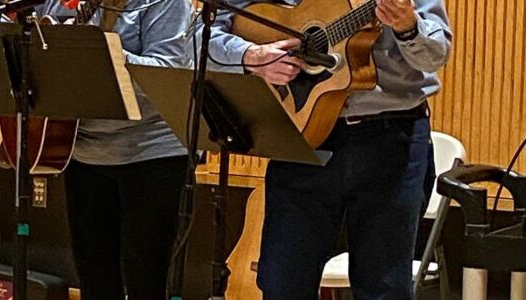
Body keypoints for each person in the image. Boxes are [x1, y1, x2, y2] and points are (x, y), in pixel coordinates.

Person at [204, 0, 451, 299]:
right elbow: (203, 33)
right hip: (301, 133)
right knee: (282, 283)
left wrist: (408, 27)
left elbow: (435, 54)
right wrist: (249, 55)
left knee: (385, 287)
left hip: (391, 138)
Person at [35, 0, 191, 299]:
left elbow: (167, 71)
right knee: (94, 278)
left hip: (152, 152)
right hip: (81, 150)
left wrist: (95, 50)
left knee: (145, 278)